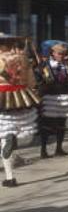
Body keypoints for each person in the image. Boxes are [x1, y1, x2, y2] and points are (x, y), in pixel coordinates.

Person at [0, 35, 39, 187]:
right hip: (21, 94)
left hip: (3, 95)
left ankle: (10, 176)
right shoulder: (23, 58)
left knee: (5, 131)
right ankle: (14, 143)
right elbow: (31, 80)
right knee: (17, 126)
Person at [37, 41, 68, 158]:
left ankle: (59, 148)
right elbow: (38, 80)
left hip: (63, 97)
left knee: (61, 123)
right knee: (46, 125)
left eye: (63, 54)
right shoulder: (44, 65)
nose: (62, 56)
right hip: (49, 97)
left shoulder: (67, 66)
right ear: (53, 53)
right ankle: (43, 150)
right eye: (59, 53)